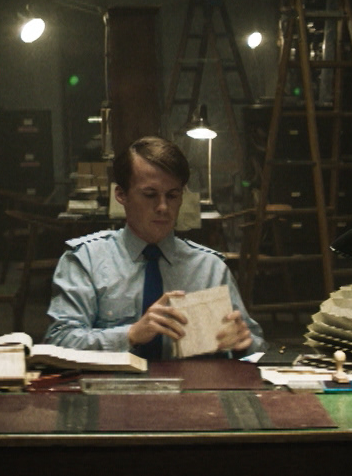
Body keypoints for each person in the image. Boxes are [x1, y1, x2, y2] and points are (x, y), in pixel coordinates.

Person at [43, 135, 265, 358]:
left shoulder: (209, 268)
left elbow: (257, 347)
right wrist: (130, 335)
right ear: (121, 195)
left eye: (172, 195)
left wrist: (243, 345)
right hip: (114, 380)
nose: (163, 207)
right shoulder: (86, 260)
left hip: (193, 380)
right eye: (150, 195)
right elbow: (58, 341)